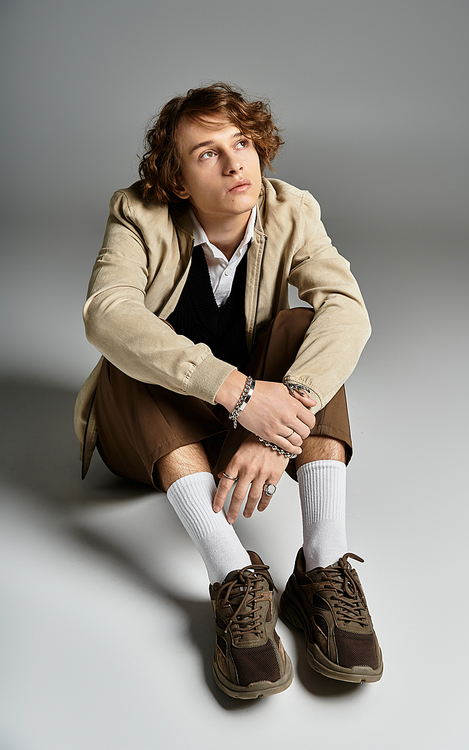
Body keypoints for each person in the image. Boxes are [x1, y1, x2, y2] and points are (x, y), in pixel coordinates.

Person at [74, 82, 383, 699]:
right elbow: (105, 314)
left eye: (242, 142)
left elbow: (348, 309)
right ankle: (234, 575)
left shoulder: (291, 209)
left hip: (248, 427)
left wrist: (281, 423)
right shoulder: (138, 213)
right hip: (146, 434)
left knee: (308, 328)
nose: (236, 161)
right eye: (207, 151)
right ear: (179, 180)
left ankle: (322, 568)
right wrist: (241, 394)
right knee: (128, 354)